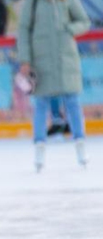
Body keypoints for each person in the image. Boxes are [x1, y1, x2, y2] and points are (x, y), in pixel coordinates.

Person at [17, 0, 90, 172]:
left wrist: (70, 29)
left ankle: (80, 144)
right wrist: (25, 59)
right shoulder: (33, 3)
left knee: (72, 101)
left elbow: (84, 21)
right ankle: (39, 147)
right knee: (41, 104)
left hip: (66, 59)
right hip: (41, 61)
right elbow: (23, 30)